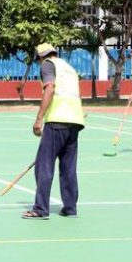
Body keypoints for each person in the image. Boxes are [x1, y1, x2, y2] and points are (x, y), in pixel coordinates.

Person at [24, 44, 86, 220]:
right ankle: (70, 208)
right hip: (74, 121)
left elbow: (50, 88)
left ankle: (40, 209)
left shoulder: (47, 65)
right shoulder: (69, 68)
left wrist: (39, 118)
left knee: (43, 165)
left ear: (40, 57)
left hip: (57, 120)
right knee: (68, 168)